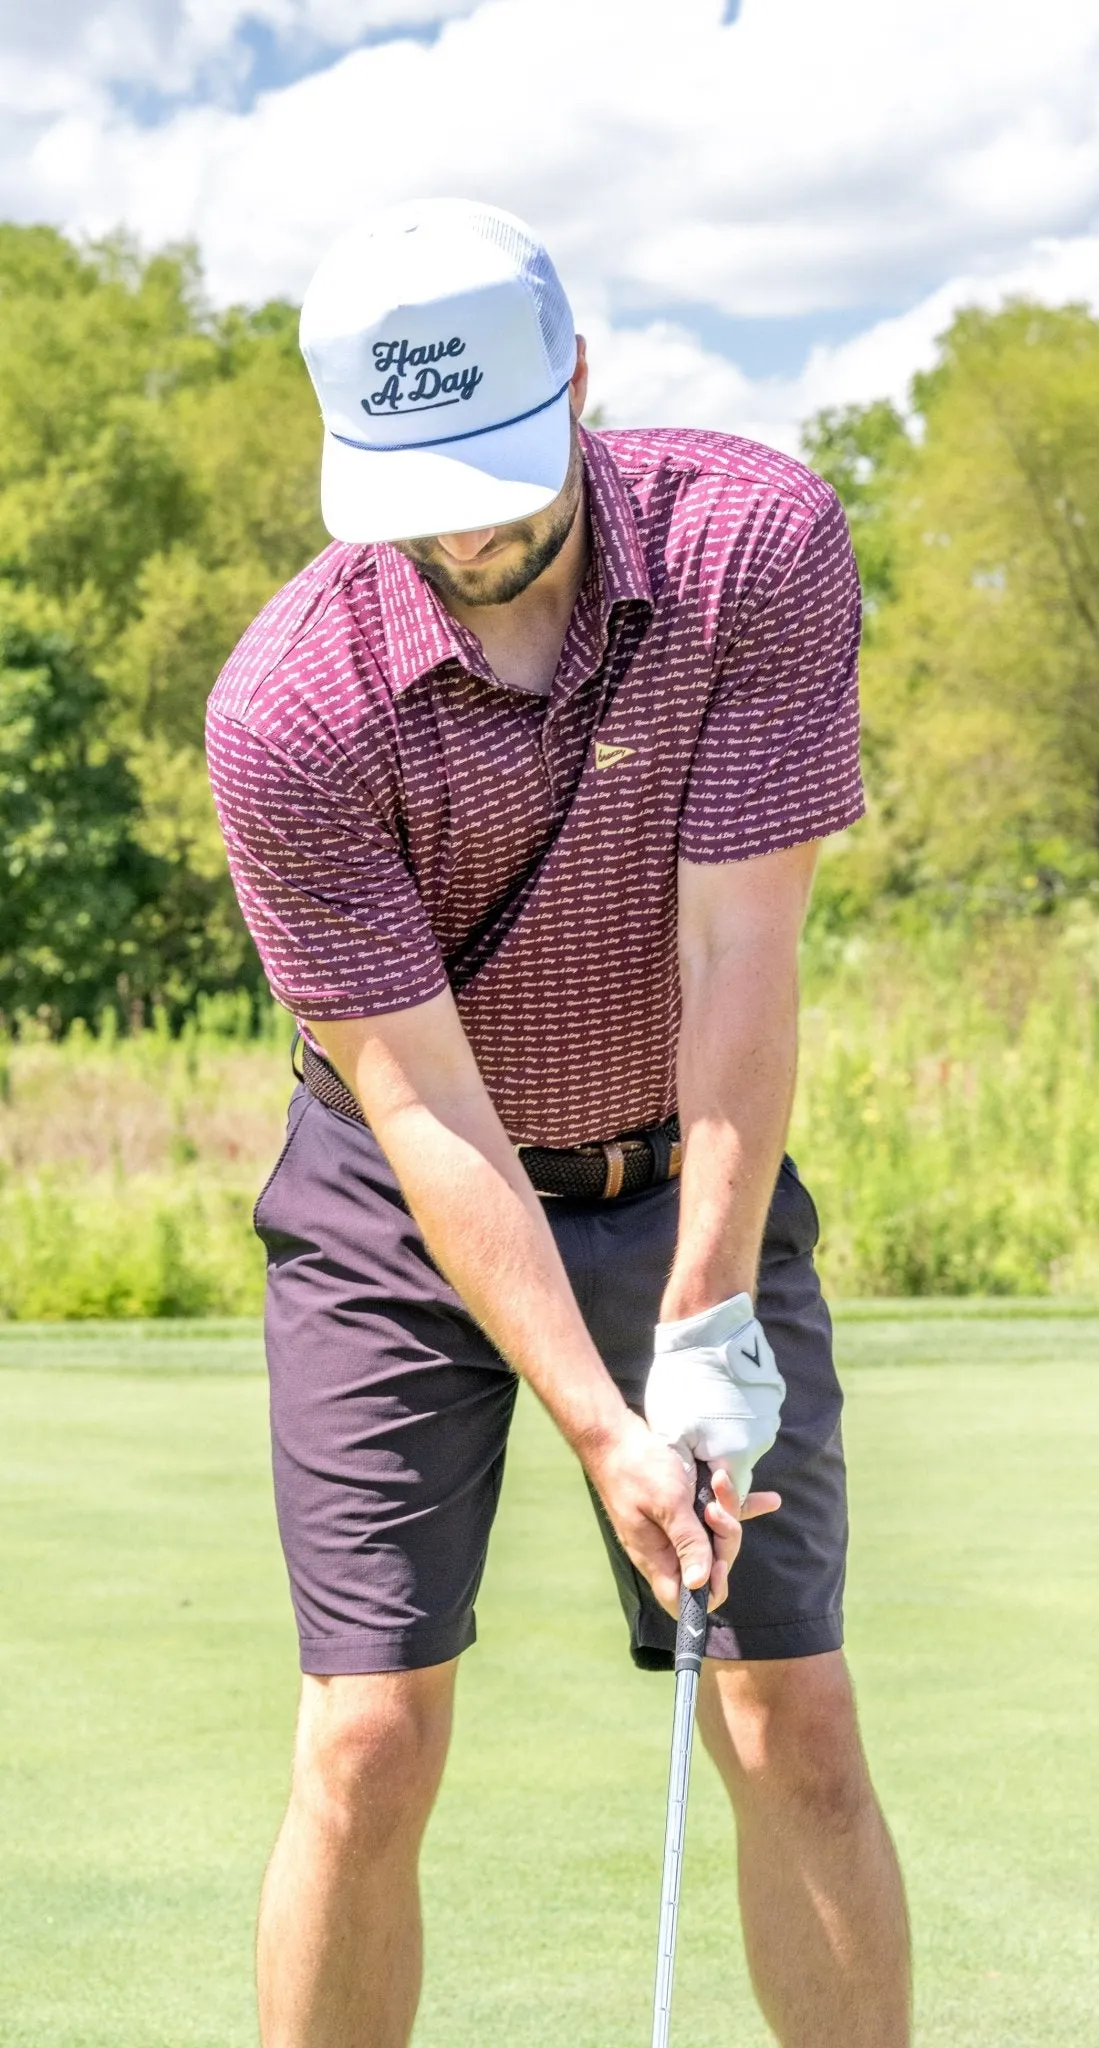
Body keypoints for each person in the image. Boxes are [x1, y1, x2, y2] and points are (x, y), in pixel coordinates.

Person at [206, 196, 910, 2048]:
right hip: (400, 1196)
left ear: (580, 381)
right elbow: (419, 1093)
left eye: (504, 482)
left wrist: (705, 1317)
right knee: (365, 1736)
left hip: (684, 1165)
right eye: (417, 492)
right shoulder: (289, 711)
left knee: (791, 1714)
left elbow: (741, 953)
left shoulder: (755, 546)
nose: (469, 535)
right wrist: (603, 1425)